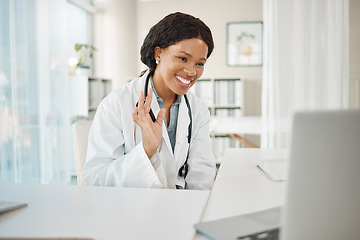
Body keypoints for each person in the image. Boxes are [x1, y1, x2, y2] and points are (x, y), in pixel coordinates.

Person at [82, 12, 216, 189]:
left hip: (183, 209)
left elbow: (202, 175)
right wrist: (146, 150)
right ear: (158, 53)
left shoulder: (198, 109)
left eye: (200, 63)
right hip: (132, 209)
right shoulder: (116, 104)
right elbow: (95, 179)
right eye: (183, 58)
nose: (192, 72)